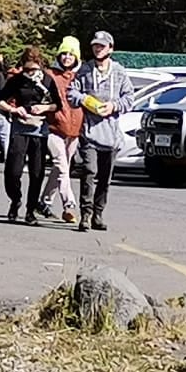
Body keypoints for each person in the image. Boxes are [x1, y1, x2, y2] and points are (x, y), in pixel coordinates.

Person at [66, 31, 135, 232]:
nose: (98, 49)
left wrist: (113, 106)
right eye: (95, 45)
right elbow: (72, 92)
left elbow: (129, 98)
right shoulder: (84, 70)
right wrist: (86, 101)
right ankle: (85, 214)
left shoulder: (119, 72)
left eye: (102, 46)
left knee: (105, 176)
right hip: (89, 132)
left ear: (110, 48)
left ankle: (98, 213)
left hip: (111, 135)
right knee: (89, 171)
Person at [0, 47, 61, 225]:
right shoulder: (17, 80)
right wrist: (14, 109)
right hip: (19, 128)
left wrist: (44, 108)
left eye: (34, 69)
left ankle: (30, 210)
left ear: (40, 66)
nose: (30, 73)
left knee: (37, 172)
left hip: (39, 130)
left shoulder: (47, 80)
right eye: (27, 69)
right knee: (12, 172)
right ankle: (15, 199)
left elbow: (58, 105)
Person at [38, 36, 84, 223]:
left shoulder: (82, 76)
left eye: (70, 54)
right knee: (62, 166)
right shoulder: (50, 75)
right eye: (63, 53)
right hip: (54, 128)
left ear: (76, 57)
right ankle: (69, 205)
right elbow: (40, 97)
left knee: (60, 169)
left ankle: (44, 202)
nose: (66, 57)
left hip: (74, 131)